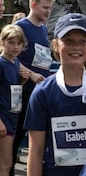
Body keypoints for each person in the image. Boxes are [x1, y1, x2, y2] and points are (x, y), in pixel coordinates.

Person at [24, 13, 86, 176]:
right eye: (68, 41)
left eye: (82, 41)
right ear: (55, 45)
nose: (76, 47)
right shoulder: (43, 92)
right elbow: (36, 150)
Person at [11, 0, 55, 175]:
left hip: (40, 88)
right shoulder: (21, 27)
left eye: (50, 8)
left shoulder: (43, 28)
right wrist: (31, 74)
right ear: (33, 5)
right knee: (17, 133)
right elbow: (10, 57)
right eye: (44, 8)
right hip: (23, 89)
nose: (47, 12)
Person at [0, 24, 29, 175]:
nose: (15, 47)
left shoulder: (16, 62)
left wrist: (22, 81)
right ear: (2, 42)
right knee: (6, 163)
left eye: (19, 43)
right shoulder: (1, 63)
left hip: (12, 116)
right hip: (3, 118)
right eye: (11, 42)